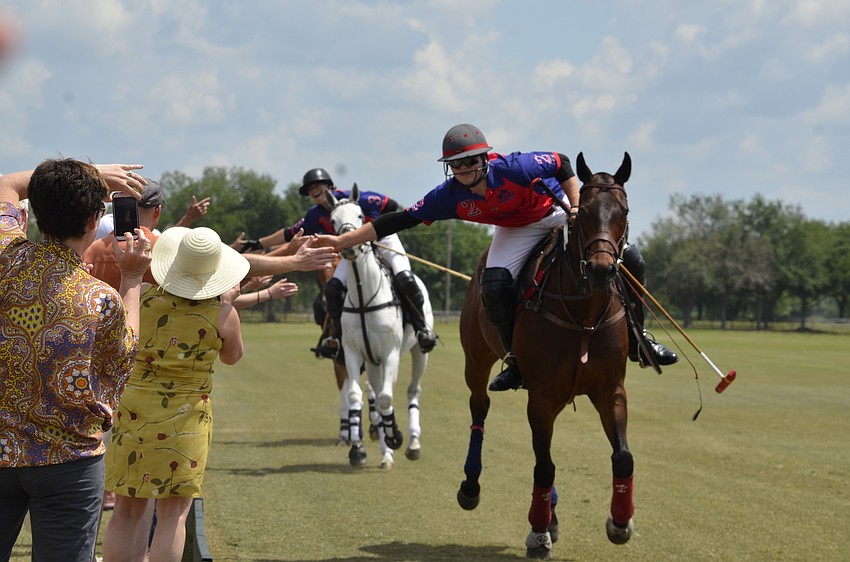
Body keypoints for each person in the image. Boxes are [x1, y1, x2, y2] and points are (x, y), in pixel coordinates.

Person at [318, 123, 678, 392]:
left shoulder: (513, 167)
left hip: (554, 212)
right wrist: (341, 241)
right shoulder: (450, 195)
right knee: (492, 284)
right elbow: (398, 220)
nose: (461, 171)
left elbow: (562, 163)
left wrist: (577, 206)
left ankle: (639, 338)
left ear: (482, 158)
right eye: (455, 165)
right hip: (515, 229)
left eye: (468, 162)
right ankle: (516, 361)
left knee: (632, 260)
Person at [0, 160, 152, 562]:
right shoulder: (98, 298)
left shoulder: (6, 258)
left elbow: (5, 186)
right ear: (93, 219)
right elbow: (125, 355)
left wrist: (92, 170)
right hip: (68, 461)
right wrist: (133, 279)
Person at [102, 226, 249, 562]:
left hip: (134, 410)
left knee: (126, 509)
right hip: (187, 420)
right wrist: (227, 305)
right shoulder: (222, 314)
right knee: (172, 514)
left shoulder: (142, 298)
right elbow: (232, 357)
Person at [248, 167, 438, 356]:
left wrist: (371, 229)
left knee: (405, 278)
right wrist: (258, 243)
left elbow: (392, 206)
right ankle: (335, 338)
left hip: (382, 240)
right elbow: (289, 234)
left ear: (329, 185)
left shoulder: (359, 198)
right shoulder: (315, 214)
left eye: (317, 186)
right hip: (353, 249)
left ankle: (422, 329)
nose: (314, 191)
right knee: (332, 288)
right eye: (310, 190)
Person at [96, 193, 212, 240]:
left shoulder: (104, 225)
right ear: (157, 210)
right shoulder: (105, 225)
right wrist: (188, 218)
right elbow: (167, 245)